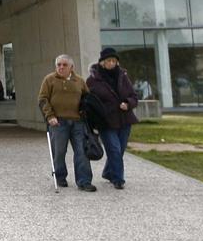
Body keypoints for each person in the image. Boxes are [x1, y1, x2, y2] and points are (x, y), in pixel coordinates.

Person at [38, 54, 95, 192]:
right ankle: (60, 177)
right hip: (58, 122)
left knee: (82, 151)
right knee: (59, 152)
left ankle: (84, 181)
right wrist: (49, 116)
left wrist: (86, 112)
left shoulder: (79, 81)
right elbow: (43, 99)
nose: (61, 67)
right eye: (59, 65)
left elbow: (87, 99)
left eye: (64, 65)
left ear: (71, 67)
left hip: (78, 122)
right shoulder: (49, 80)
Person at [87, 47, 140, 189]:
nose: (112, 63)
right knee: (114, 150)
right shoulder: (93, 80)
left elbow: (134, 97)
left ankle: (108, 172)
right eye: (109, 60)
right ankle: (118, 179)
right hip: (106, 122)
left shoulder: (123, 76)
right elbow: (89, 102)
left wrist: (128, 104)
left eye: (114, 61)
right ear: (102, 62)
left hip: (125, 120)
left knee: (120, 150)